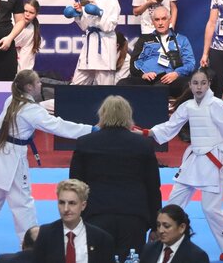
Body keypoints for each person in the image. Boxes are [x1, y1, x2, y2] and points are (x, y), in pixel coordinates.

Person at [0, 70, 97, 250]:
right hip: (12, 159)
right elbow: (58, 126)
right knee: (23, 201)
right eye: (37, 82)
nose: (40, 84)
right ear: (29, 87)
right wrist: (89, 130)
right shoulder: (30, 110)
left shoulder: (12, 100)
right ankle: (31, 243)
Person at [135, 68, 223, 261]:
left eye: (203, 83)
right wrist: (147, 132)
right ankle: (163, 239)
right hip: (194, 158)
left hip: (215, 159)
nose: (199, 87)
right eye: (195, 83)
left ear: (208, 85)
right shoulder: (187, 106)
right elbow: (170, 126)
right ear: (190, 85)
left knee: (210, 208)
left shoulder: (217, 105)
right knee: (174, 202)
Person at [69, 95, 161, 260]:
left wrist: (74, 220)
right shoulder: (144, 144)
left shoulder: (85, 143)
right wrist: (156, 225)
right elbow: (153, 187)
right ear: (128, 115)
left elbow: (75, 185)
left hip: (96, 214)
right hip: (134, 216)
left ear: (102, 114)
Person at [117, 6, 196, 97]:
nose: (160, 23)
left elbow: (190, 63)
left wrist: (177, 73)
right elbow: (134, 63)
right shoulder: (144, 39)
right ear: (152, 22)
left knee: (189, 84)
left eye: (164, 19)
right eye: (157, 20)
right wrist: (143, 74)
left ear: (170, 20)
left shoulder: (182, 40)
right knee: (123, 84)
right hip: (147, 80)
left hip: (171, 79)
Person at [33, 179, 115, 263]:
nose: (66, 209)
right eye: (62, 202)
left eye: (72, 203)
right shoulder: (45, 234)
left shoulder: (102, 238)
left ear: (83, 205)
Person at [67, 0, 121, 85]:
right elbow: (85, 26)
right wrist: (79, 14)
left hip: (104, 46)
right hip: (90, 47)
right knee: (76, 85)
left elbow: (110, 26)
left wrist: (99, 13)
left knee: (105, 89)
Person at [139, 204, 210, 263]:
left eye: (166, 226)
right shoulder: (149, 249)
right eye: (158, 225)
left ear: (182, 227)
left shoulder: (197, 257)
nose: (161, 230)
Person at [15, 0, 41, 72]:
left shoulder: (32, 32)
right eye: (25, 11)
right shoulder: (9, 21)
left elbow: (26, 61)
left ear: (36, 14)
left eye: (31, 12)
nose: (27, 14)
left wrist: (23, 76)